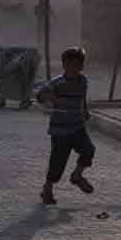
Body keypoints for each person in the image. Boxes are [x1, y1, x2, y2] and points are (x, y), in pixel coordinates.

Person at [36, 47, 95, 205]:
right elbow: (40, 95)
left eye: (78, 65)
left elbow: (83, 98)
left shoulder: (83, 81)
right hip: (60, 130)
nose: (75, 68)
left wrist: (85, 111)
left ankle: (77, 175)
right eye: (71, 64)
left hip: (77, 127)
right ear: (64, 65)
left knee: (89, 150)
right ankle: (47, 189)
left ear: (82, 66)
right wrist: (53, 99)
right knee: (58, 162)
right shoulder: (57, 83)